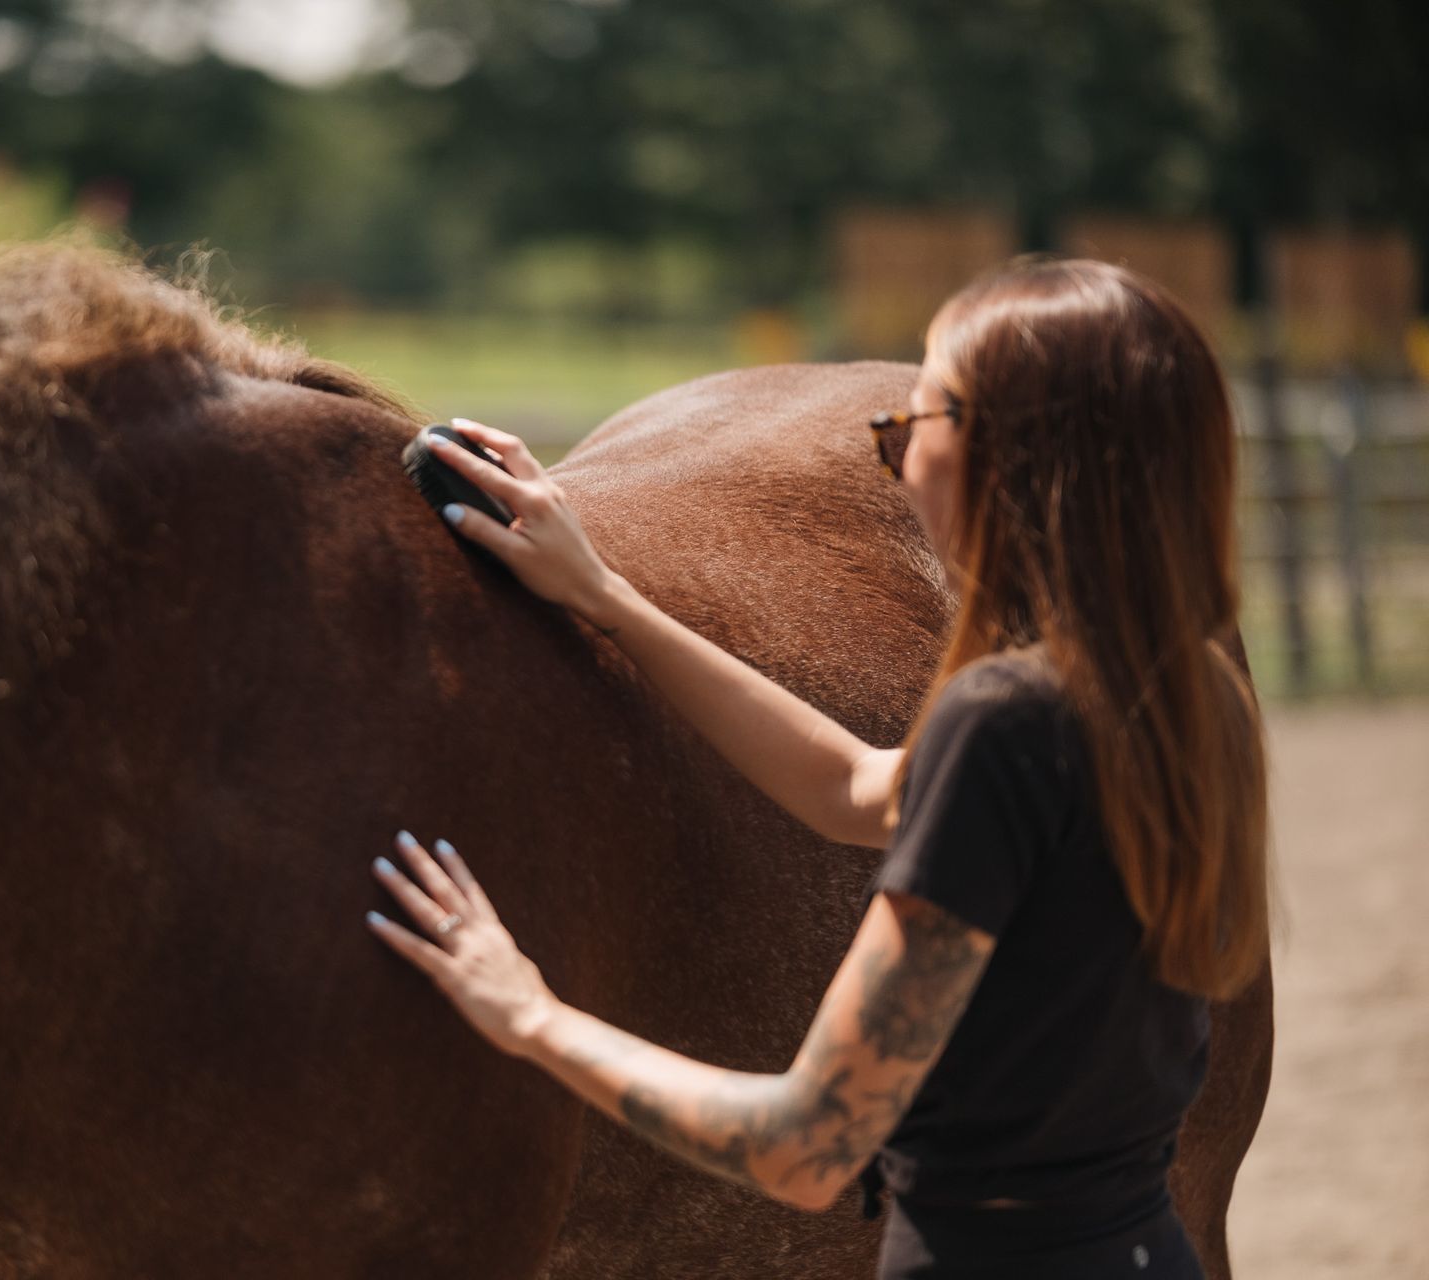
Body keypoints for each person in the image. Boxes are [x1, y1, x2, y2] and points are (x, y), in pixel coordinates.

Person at [362, 258, 1271, 1279]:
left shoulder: (1003, 719)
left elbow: (808, 1143)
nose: (896, 460)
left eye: (908, 430)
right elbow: (854, 790)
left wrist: (529, 1014)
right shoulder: (1184, 692)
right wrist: (606, 595)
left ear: (1003, 458)